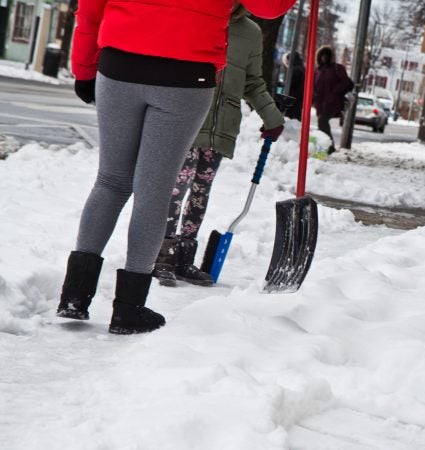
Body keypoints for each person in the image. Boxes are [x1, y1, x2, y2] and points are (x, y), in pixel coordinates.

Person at [56, 0, 296, 335]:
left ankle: (75, 296)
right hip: (185, 73)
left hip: (120, 63)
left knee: (111, 180)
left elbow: (91, 8)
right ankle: (129, 309)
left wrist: (83, 68)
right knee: (153, 188)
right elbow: (268, 7)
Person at [153, 3, 285, 288]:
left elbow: (252, 81)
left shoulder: (251, 32)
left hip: (221, 124)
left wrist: (272, 116)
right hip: (188, 114)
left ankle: (184, 257)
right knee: (178, 185)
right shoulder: (198, 15)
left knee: (201, 189)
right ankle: (161, 255)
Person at [313, 45, 353, 155]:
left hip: (333, 102)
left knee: (323, 121)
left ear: (330, 56)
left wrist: (334, 91)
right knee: (321, 124)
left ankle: (330, 147)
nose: (324, 58)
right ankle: (325, 146)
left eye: (326, 55)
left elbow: (345, 82)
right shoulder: (318, 70)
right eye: (322, 55)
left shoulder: (337, 68)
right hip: (320, 103)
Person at [281, 51, 305, 121]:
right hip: (298, 99)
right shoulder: (301, 68)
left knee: (291, 120)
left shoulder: (294, 70)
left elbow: (290, 85)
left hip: (292, 100)